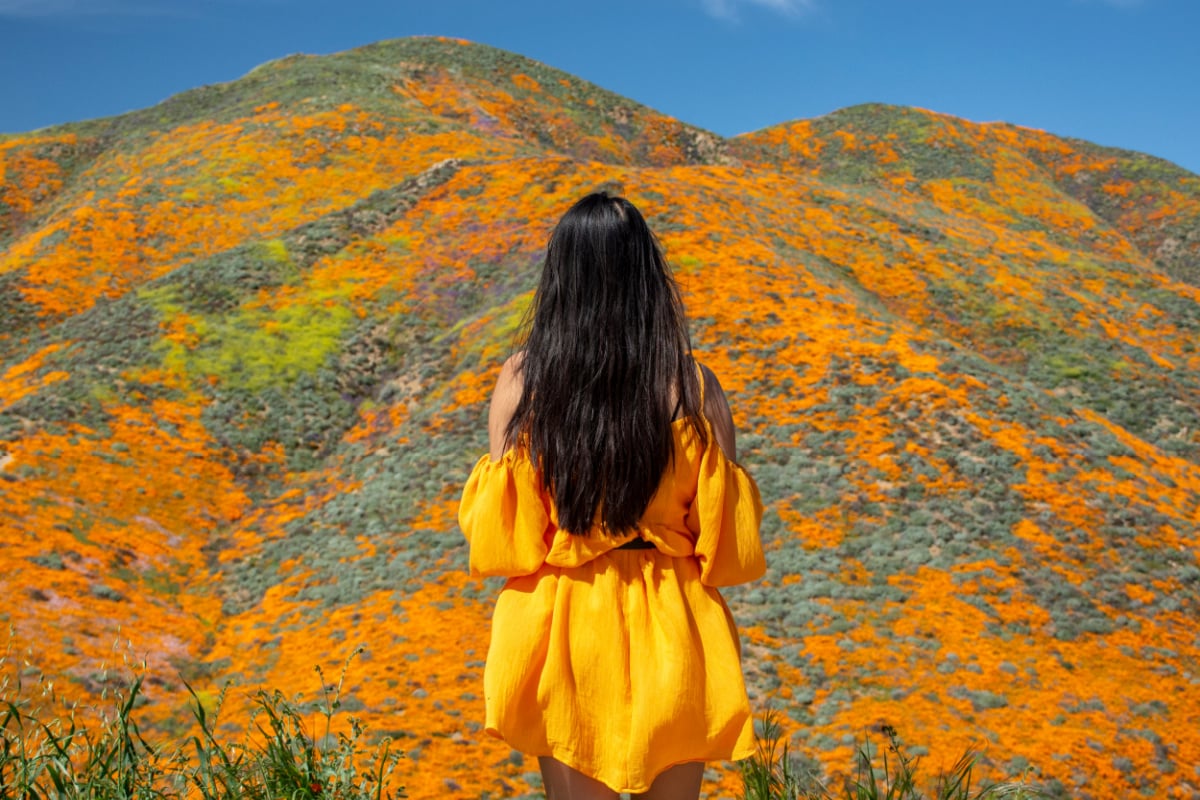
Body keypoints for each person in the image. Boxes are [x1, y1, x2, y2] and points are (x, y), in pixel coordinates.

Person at [458, 192, 766, 800]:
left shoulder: (524, 381)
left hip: (566, 626)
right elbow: (729, 546)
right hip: (674, 625)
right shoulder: (692, 384)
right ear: (649, 276)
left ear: (560, 275)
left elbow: (504, 545)